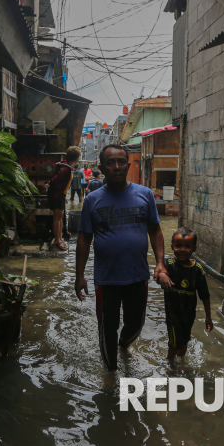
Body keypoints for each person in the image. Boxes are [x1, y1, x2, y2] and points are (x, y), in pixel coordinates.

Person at [75, 145, 168, 381]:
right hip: (106, 279)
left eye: (121, 162)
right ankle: (111, 374)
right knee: (107, 326)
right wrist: (79, 275)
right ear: (101, 168)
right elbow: (84, 238)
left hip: (138, 275)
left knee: (136, 323)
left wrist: (160, 263)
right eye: (110, 162)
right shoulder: (92, 200)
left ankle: (124, 345)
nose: (116, 167)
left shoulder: (145, 194)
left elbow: (155, 229)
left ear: (128, 164)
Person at [157, 227, 213, 366]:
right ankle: (170, 363)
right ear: (172, 247)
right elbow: (157, 274)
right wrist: (161, 275)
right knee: (174, 342)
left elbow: (204, 295)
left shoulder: (197, 269)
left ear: (194, 249)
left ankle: (181, 361)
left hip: (188, 314)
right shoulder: (168, 265)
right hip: (172, 313)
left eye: (187, 246)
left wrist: (208, 317)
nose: (182, 249)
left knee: (184, 341)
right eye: (178, 246)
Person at [46, 146, 80, 250]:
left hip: (60, 195)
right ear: (76, 158)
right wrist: (50, 184)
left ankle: (59, 238)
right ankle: (57, 240)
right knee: (57, 218)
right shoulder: (65, 168)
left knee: (60, 217)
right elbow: (55, 179)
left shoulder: (66, 166)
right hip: (57, 195)